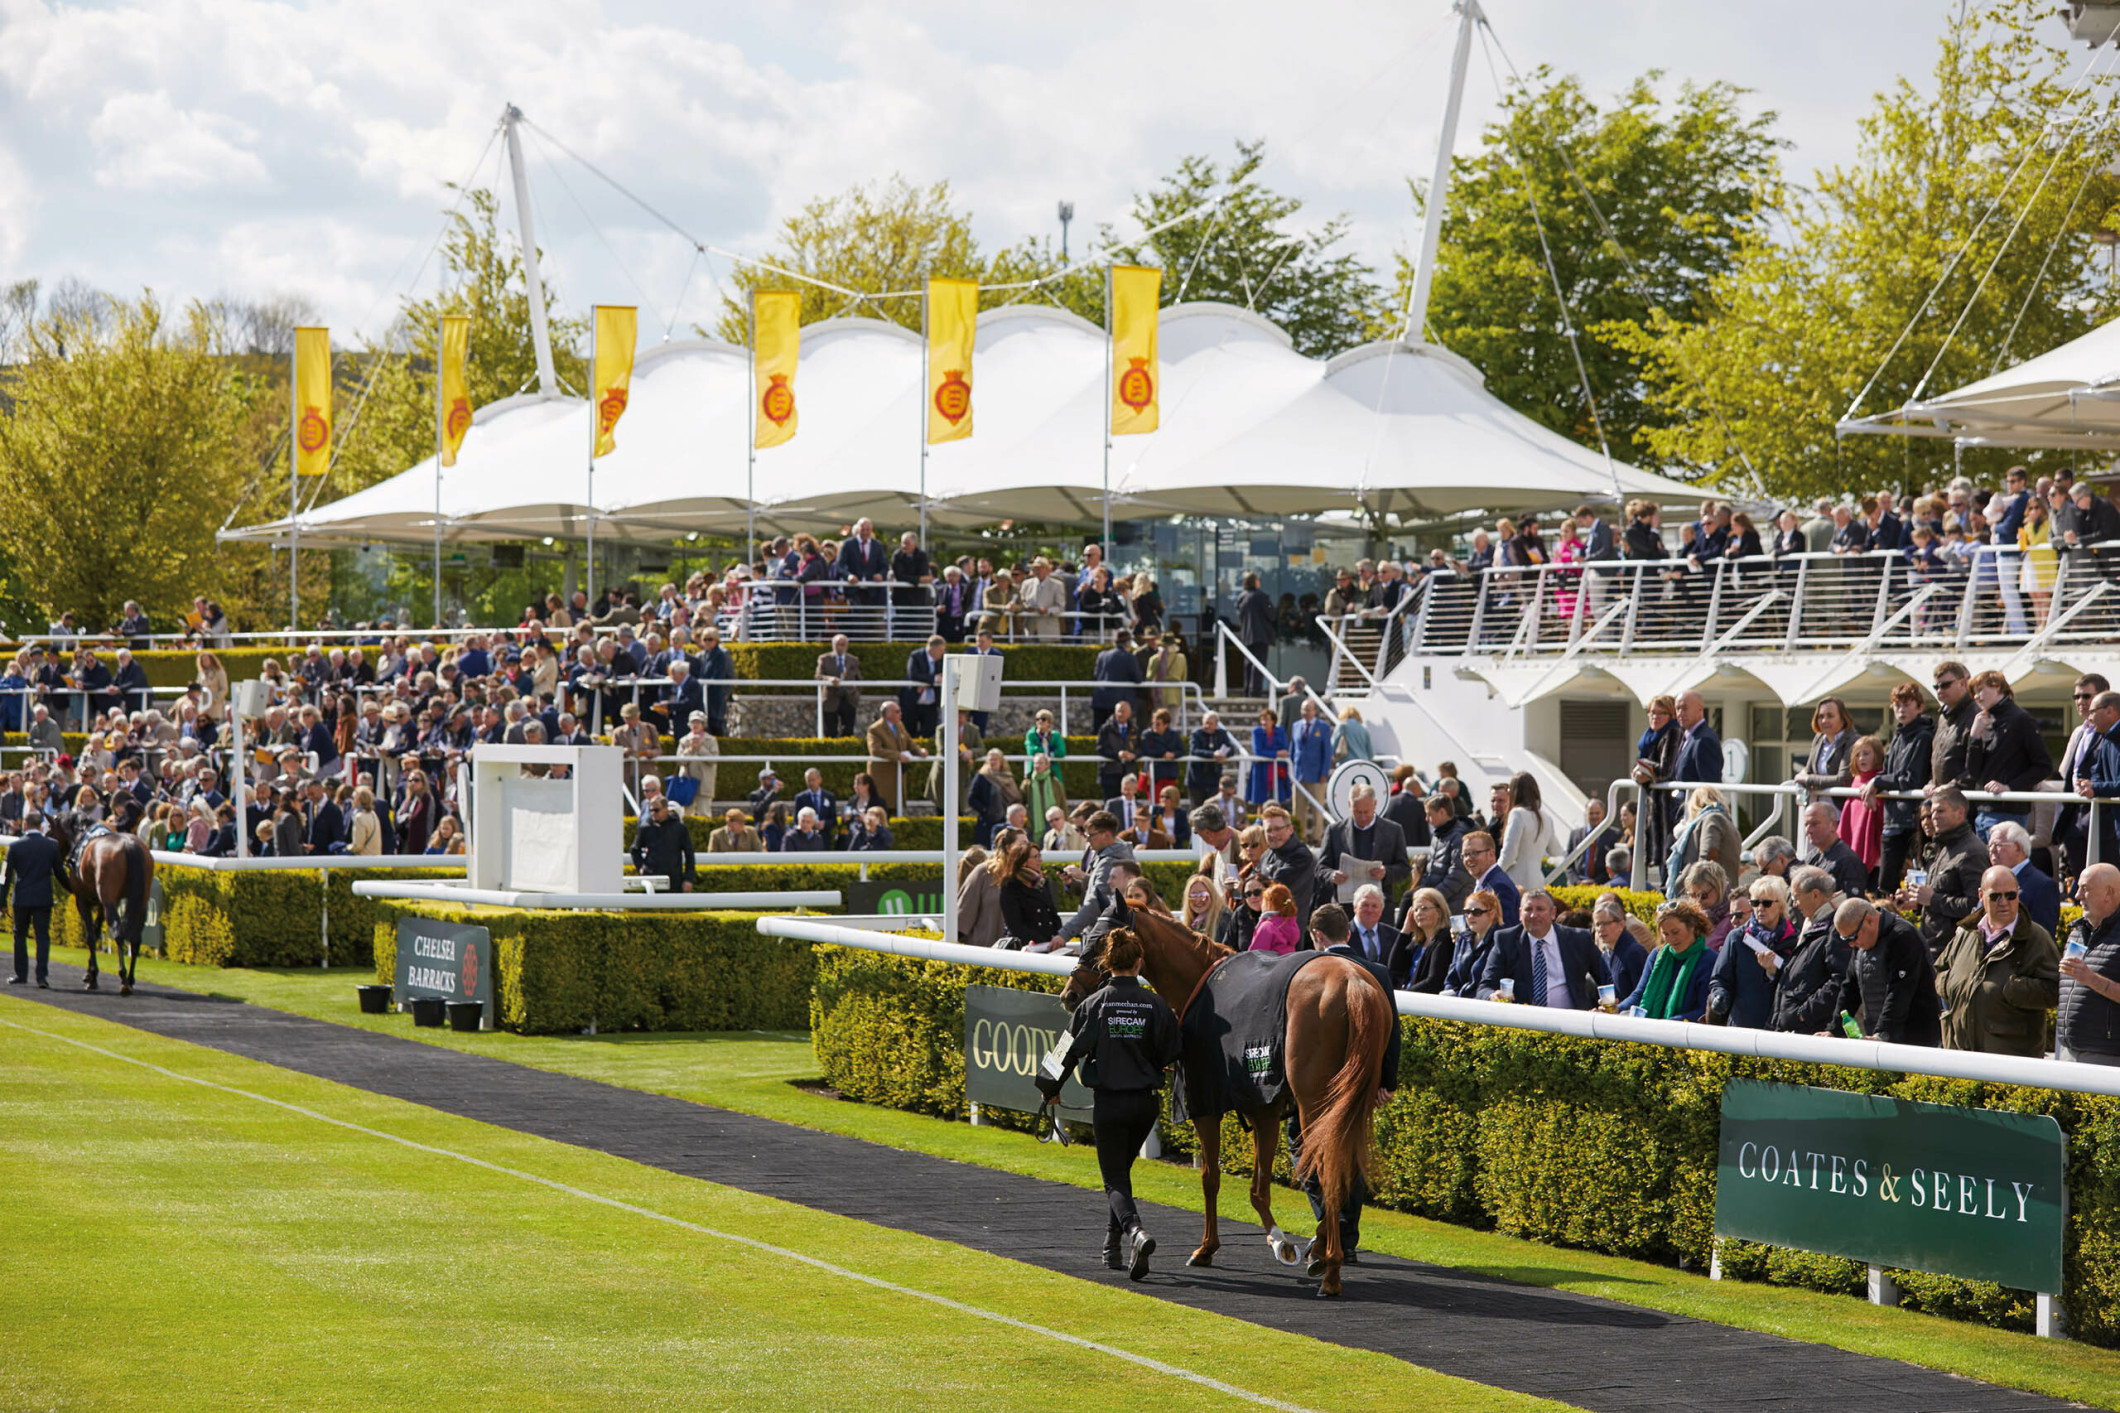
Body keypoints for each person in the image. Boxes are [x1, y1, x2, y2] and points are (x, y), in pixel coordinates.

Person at [1035, 925, 1181, 1278]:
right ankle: (1112, 1247)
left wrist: (1048, 1087)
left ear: (1106, 963)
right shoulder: (1155, 1003)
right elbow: (1173, 1051)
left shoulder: (1092, 1005)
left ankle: (1135, 1231)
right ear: (1139, 962)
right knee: (1121, 1176)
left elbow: (1065, 1051)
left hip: (1110, 1105)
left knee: (1114, 1180)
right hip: (1145, 1106)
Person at [1285, 902, 1400, 1271]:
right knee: (1351, 1146)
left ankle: (1327, 1223)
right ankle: (1346, 1238)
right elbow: (1394, 1032)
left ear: (1317, 935)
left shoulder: (1306, 972)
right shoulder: (1378, 971)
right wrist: (1386, 1081)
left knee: (1298, 1137)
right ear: (1348, 933)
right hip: (1363, 1079)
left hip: (1318, 1084)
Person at [1937, 864, 2059, 1056]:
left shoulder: (2035, 938)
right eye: (1995, 896)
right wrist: (1951, 984)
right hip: (1959, 1056)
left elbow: (2056, 990)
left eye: (2010, 895)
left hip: (2010, 1061)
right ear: (1981, 896)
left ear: (2018, 894)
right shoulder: (1966, 933)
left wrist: (2014, 989)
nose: (2004, 902)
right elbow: (1941, 969)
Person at [1830, 898, 1940, 1045]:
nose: (1851, 944)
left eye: (1853, 937)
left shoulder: (1903, 936)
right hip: (1881, 1035)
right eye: (1846, 940)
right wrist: (1833, 1029)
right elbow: (1850, 988)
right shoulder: (1861, 944)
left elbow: (1900, 991)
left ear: (1869, 920)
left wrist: (1882, 1033)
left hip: (1914, 1038)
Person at [1898, 787, 1989, 957]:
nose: (1934, 817)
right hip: (1933, 946)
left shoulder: (1972, 852)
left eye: (1941, 811)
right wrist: (1917, 901)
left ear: (1960, 813)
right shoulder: (1944, 847)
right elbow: (1942, 892)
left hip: (1954, 951)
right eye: (1932, 812)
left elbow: (1976, 907)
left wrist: (1932, 899)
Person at [1476, 889, 1602, 1007]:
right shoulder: (1506, 941)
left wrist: (1606, 1004)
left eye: (1540, 909)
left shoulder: (1578, 939)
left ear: (1553, 913)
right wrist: (1492, 996)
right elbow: (1484, 987)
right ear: (1520, 914)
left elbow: (1606, 978)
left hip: (1571, 1021)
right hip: (1524, 1023)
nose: (1533, 915)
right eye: (1528, 909)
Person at [1963, 671, 2051, 840]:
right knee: (1986, 866)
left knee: (2004, 865)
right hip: (1982, 810)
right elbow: (1973, 771)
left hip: (2008, 811)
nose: (1976, 697)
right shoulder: (1984, 720)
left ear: (1997, 686)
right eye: (1974, 692)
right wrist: (1974, 737)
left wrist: (2009, 787)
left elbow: (2043, 766)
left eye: (1980, 690)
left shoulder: (2020, 719)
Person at [1768, 868, 1853, 1034]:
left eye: (1796, 897)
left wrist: (1802, 1014)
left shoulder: (1836, 928)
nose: (1794, 904)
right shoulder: (1816, 925)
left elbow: (1841, 980)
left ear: (1815, 894)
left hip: (1812, 1033)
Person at [1865, 684, 1932, 894]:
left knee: (1918, 879)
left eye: (1906, 705)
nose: (1901, 710)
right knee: (1886, 884)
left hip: (1912, 819)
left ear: (1919, 707)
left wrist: (1877, 782)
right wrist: (1877, 781)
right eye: (1897, 705)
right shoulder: (1898, 736)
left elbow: (1911, 780)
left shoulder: (1923, 737)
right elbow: (1889, 773)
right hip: (1893, 818)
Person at [1707, 875, 1796, 1029]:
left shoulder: (1794, 940)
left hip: (1778, 1030)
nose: (1760, 908)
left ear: (1781, 905)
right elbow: (1719, 979)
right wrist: (1720, 996)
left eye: (1767, 903)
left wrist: (1773, 972)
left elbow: (1797, 985)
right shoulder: (1737, 938)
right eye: (1755, 903)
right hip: (1742, 1026)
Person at [2057, 862, 2120, 1065]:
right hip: (2068, 1052)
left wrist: (2091, 979)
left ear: (2109, 893)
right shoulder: (2078, 930)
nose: (2077, 896)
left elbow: (2086, 979)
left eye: (2085, 888)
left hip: (2107, 1057)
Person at [1618, 900, 1715, 1021]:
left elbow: (1703, 1011)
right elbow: (1639, 994)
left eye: (1675, 932)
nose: (1671, 939)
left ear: (1692, 927)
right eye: (1665, 934)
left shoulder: (1709, 960)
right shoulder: (1657, 955)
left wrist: (1667, 1025)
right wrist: (1614, 1009)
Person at [1320, 782, 1411, 909]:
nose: (1363, 817)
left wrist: (1386, 872)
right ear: (1349, 805)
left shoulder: (1393, 830)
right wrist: (1332, 875)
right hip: (1345, 907)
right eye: (1357, 812)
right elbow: (1321, 868)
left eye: (1366, 812)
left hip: (1380, 907)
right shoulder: (1334, 831)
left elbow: (1404, 868)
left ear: (1375, 804)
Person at [2, 812, 63, 989]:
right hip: (43, 898)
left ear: (26, 825)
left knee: (19, 936)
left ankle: (21, 974)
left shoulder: (15, 846)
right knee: (42, 937)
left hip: (21, 898)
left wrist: (1, 901)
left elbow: (4, 877)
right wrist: (74, 890)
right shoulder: (52, 846)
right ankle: (41, 976)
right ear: (40, 826)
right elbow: (60, 874)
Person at [1984, 820, 2059, 939]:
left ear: (2018, 848)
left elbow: (2042, 938)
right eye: (1990, 846)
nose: (1992, 851)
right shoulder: (1989, 880)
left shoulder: (2042, 885)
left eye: (1998, 845)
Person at [1632, 695, 1680, 877]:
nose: (1655, 717)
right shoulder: (1648, 737)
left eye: (1661, 713)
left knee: (1667, 858)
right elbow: (1638, 763)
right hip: (1653, 806)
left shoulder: (1673, 732)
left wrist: (1646, 773)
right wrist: (1637, 773)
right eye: (1652, 712)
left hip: (1667, 807)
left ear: (1671, 715)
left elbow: (1666, 770)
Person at [1495, 770, 1558, 894]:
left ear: (1514, 793)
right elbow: (1557, 852)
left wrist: (1493, 875)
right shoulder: (1546, 818)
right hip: (1538, 882)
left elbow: (1509, 854)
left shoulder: (1517, 814)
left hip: (1516, 883)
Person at [1257, 804, 1317, 931]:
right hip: (1266, 925)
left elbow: (1277, 885)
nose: (1273, 834)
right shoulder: (1266, 855)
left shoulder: (1302, 856)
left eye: (1278, 829)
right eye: (1268, 830)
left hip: (1289, 929)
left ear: (1290, 829)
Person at [1666, 785, 1739, 887]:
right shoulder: (1727, 821)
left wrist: (1696, 884)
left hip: (1708, 890)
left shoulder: (1712, 818)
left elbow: (1709, 854)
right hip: (1719, 888)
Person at [1792, 697, 1857, 805]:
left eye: (1830, 716)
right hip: (1818, 808)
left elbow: (1842, 780)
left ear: (1843, 718)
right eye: (1821, 716)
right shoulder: (1819, 739)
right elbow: (1809, 770)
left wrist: (1808, 780)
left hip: (1841, 812)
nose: (1824, 721)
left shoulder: (1853, 741)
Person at [864, 701, 926, 815]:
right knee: (883, 807)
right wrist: (898, 756)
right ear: (887, 714)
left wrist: (919, 751)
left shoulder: (899, 725)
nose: (900, 714)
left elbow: (909, 742)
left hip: (897, 774)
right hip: (882, 776)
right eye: (897, 712)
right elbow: (875, 750)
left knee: (895, 807)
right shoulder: (875, 729)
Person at [1800, 800, 1869, 900]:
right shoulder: (1811, 857)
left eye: (1815, 824)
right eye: (1806, 825)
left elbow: (1853, 905)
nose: (1809, 830)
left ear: (1833, 825)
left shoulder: (1848, 862)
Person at [1394, 887, 1455, 992]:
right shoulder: (1418, 942)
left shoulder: (1444, 939)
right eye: (1416, 910)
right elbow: (1394, 969)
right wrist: (1405, 931)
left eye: (1424, 908)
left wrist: (1406, 994)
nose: (1419, 913)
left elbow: (1434, 981)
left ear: (1439, 911)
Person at [630, 794, 696, 891]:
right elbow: (635, 849)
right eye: (650, 810)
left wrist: (688, 879)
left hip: (674, 880)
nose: (653, 813)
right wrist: (641, 867)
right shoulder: (646, 827)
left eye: (656, 810)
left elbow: (689, 853)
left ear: (665, 809)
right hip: (651, 878)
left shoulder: (679, 828)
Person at [1458, 829, 1517, 928]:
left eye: (1474, 853)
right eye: (1465, 855)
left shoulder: (1499, 886)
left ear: (1491, 854)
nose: (1469, 859)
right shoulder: (1485, 881)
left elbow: (1503, 928)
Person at [1185, 712, 1240, 807]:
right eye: (1206, 723)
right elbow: (1194, 750)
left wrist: (1223, 755)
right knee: (1196, 809)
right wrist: (1213, 754)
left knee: (1213, 810)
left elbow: (1231, 749)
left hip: (1214, 778)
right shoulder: (1196, 734)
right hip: (1196, 779)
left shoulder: (1221, 734)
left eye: (1210, 723)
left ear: (1216, 725)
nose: (1207, 726)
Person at [814, 634, 862, 737]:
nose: (840, 647)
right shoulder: (824, 659)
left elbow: (859, 679)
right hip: (831, 698)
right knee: (830, 733)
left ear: (846, 646)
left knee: (848, 732)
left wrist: (856, 694)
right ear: (833, 645)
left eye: (842, 645)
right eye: (837, 644)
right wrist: (829, 679)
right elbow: (818, 676)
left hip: (849, 699)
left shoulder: (853, 660)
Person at [1249, 882, 1302, 955]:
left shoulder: (1267, 927)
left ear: (1269, 903)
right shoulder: (1291, 924)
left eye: (1263, 901)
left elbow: (1255, 955)